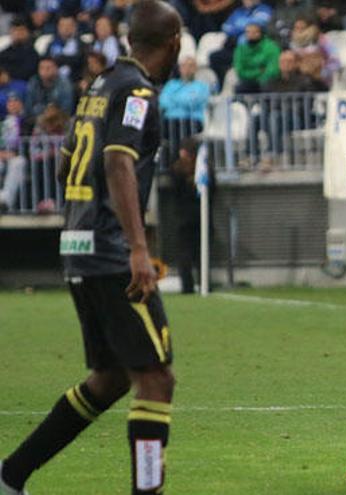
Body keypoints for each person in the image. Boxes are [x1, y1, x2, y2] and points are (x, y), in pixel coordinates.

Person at [0, 3, 182, 494]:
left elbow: (66, 168)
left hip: (78, 245)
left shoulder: (97, 88)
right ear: (175, 42)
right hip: (110, 252)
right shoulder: (137, 90)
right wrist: (138, 248)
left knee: (110, 378)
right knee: (155, 377)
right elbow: (118, 163)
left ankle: (11, 474)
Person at [159, 56, 211, 168]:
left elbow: (195, 101)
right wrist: (183, 100)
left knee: (180, 130)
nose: (187, 69)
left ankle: (177, 163)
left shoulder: (202, 86)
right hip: (170, 120)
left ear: (196, 68)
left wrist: (175, 99)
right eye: (184, 66)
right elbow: (163, 101)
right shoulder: (171, 84)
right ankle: (171, 163)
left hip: (193, 121)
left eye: (191, 66)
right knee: (165, 128)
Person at [170, 137, 202, 295]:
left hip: (184, 217)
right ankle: (202, 283)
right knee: (198, 253)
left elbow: (175, 191)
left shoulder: (177, 170)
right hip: (199, 216)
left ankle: (188, 286)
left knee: (186, 254)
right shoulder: (202, 169)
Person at [233, 22, 281, 94]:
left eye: (255, 32)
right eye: (248, 32)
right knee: (240, 88)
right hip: (247, 82)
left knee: (267, 87)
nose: (251, 35)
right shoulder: (240, 49)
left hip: (267, 82)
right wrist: (259, 71)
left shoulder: (271, 47)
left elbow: (273, 70)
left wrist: (260, 77)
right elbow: (240, 72)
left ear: (261, 33)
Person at [25, 57, 75, 124]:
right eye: (41, 68)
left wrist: (51, 112)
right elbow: (29, 108)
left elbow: (66, 109)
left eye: (48, 68)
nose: (44, 71)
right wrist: (45, 111)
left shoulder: (64, 83)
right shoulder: (33, 82)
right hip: (38, 120)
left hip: (60, 120)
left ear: (56, 69)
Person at [0, 92, 26, 213]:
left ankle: (4, 201)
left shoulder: (28, 121)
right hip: (2, 156)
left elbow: (30, 143)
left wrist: (15, 154)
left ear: (22, 104)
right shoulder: (2, 122)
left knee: (17, 163)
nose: (13, 105)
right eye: (10, 102)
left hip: (20, 156)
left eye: (16, 101)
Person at [48, 15, 89, 82]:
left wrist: (60, 58)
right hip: (53, 80)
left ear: (75, 27)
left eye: (69, 25)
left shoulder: (81, 44)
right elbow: (47, 59)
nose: (66, 28)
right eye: (62, 25)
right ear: (58, 27)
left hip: (74, 79)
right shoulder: (52, 44)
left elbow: (79, 60)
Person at [0, 18, 40, 84]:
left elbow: (27, 73)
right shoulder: (4, 52)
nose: (18, 33)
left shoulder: (32, 54)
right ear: (10, 32)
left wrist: (8, 75)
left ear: (28, 32)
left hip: (22, 85)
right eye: (15, 30)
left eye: (21, 30)